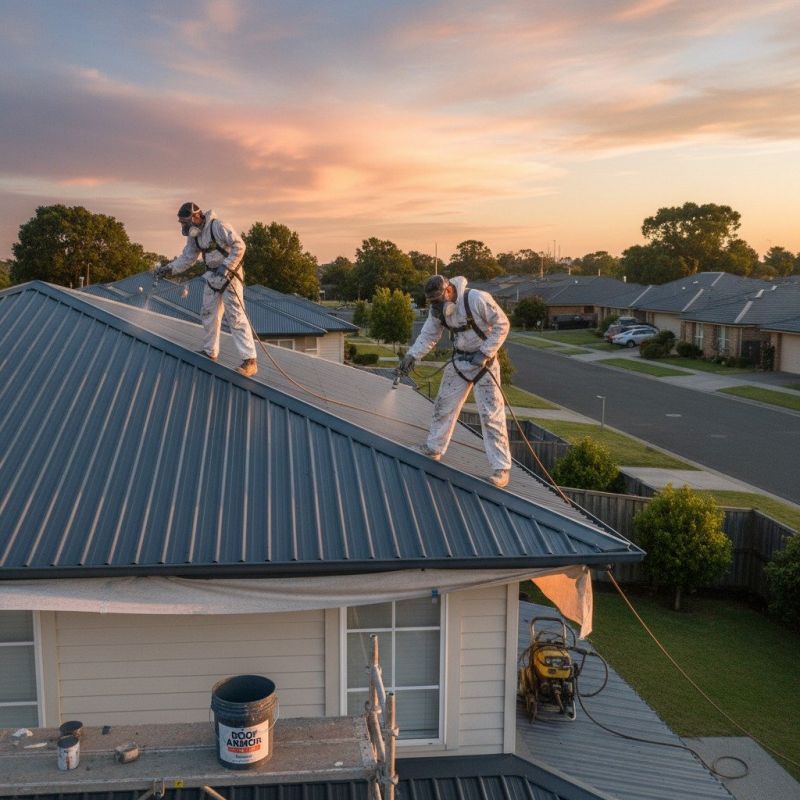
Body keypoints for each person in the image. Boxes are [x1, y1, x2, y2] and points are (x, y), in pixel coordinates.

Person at [399, 274, 512, 488]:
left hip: (484, 364)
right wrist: (412, 355)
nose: (436, 306)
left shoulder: (476, 299)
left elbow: (502, 324)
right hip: (460, 360)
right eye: (432, 302)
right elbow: (429, 335)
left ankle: (501, 468)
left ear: (449, 290)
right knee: (443, 406)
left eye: (437, 300)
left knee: (491, 415)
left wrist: (485, 352)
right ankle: (434, 448)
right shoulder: (438, 310)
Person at [155, 202, 258, 377]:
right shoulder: (195, 236)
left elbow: (240, 246)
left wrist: (227, 266)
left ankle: (250, 360)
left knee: (235, 316)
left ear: (196, 216)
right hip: (212, 276)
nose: (184, 226)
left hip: (230, 275)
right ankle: (210, 351)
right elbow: (188, 258)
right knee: (208, 313)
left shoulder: (218, 226)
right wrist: (169, 269)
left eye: (185, 222)